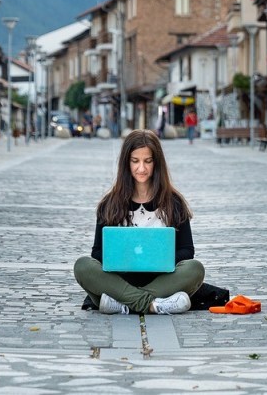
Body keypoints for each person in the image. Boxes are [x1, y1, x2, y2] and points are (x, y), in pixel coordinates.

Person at [74, 129, 205, 315]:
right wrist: (123, 261)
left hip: (162, 281)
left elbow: (187, 250)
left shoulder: (173, 202)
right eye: (135, 161)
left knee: (195, 269)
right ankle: (153, 305)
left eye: (148, 161)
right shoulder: (109, 204)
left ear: (156, 163)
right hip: (119, 281)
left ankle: (124, 305)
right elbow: (96, 252)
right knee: (83, 266)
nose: (141, 168)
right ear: (126, 163)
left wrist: (160, 261)